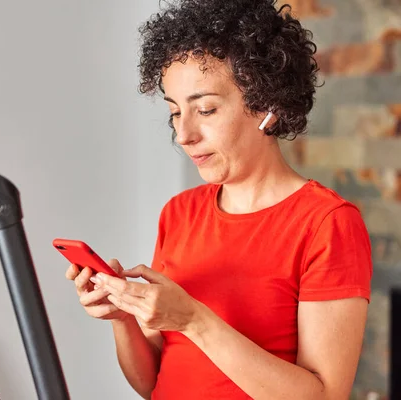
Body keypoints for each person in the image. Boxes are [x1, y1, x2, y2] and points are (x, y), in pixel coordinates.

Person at [65, 0, 373, 399]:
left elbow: (324, 395)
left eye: (205, 109)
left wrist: (194, 320)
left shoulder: (327, 223)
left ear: (268, 106)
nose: (183, 134)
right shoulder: (179, 213)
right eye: (175, 112)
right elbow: (153, 383)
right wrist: (123, 317)